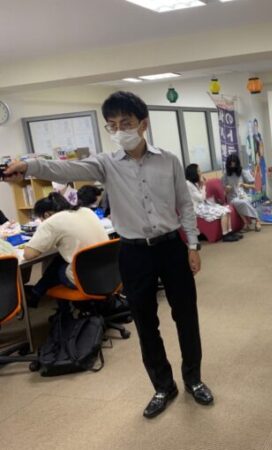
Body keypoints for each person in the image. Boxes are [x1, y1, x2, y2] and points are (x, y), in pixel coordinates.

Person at [3, 91, 213, 418]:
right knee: (145, 323)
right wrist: (28, 165)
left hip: (171, 247)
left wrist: (193, 246)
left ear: (143, 124)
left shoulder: (169, 160)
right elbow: (65, 169)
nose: (119, 131)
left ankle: (194, 379)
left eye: (125, 123)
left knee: (186, 317)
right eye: (112, 125)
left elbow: (185, 206)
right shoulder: (105, 164)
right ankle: (163, 386)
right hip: (133, 254)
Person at [24, 193, 108, 308]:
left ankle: (41, 296)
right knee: (60, 259)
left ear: (47, 214)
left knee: (56, 268)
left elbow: (29, 254)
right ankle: (37, 293)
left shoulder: (52, 221)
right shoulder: (86, 211)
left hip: (86, 279)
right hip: (109, 271)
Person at [184, 164, 240, 242]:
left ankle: (230, 233)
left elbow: (201, 197)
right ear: (193, 172)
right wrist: (203, 185)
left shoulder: (194, 183)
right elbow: (201, 198)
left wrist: (201, 185)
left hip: (203, 205)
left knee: (227, 210)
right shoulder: (188, 184)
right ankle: (225, 235)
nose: (200, 172)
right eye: (198, 171)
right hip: (197, 208)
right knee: (224, 212)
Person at [223, 153, 261, 232]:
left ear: (237, 163)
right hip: (232, 197)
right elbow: (224, 192)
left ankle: (249, 223)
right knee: (241, 202)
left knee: (243, 201)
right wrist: (227, 189)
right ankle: (256, 220)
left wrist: (245, 185)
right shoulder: (226, 175)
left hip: (243, 195)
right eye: (231, 164)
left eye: (234, 164)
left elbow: (256, 186)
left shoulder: (242, 172)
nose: (232, 166)